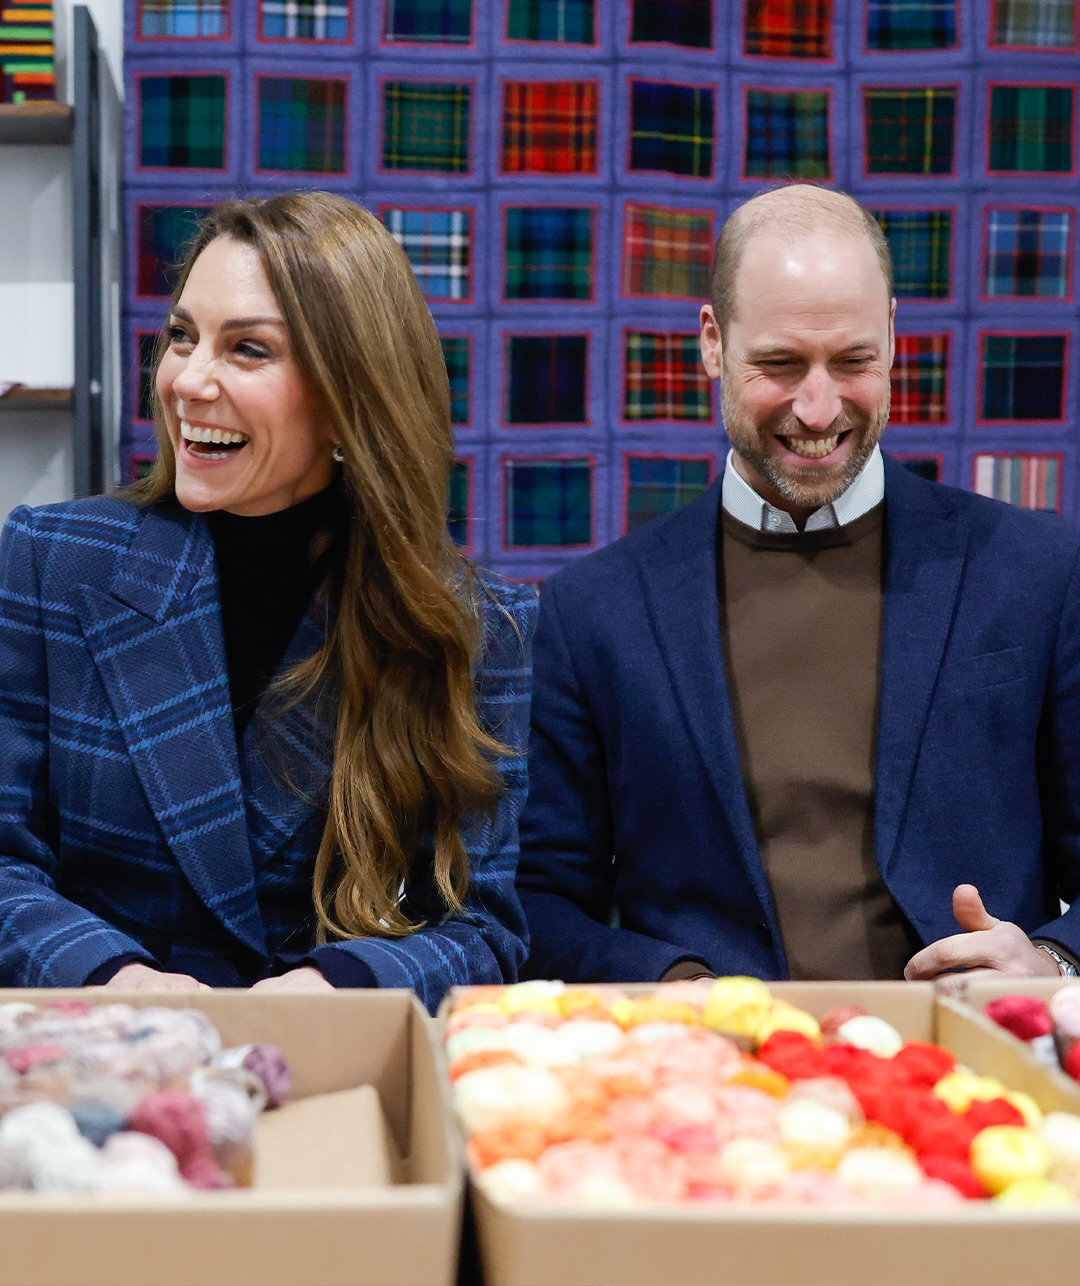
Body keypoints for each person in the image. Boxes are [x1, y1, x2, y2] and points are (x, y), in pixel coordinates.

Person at [517, 183, 1080, 993]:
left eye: (853, 361)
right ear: (713, 343)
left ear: (893, 337)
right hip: (715, 1058)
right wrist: (670, 982)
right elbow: (534, 901)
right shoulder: (591, 612)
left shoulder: (1041, 573)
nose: (818, 410)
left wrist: (1051, 963)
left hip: (974, 1052)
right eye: (780, 364)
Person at [0, 191, 536, 1010]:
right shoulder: (54, 561)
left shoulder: (477, 625)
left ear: (352, 397)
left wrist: (332, 989)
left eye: (248, 349)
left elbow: (481, 928)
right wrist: (119, 983)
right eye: (183, 336)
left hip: (335, 1058)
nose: (187, 380)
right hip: (101, 1051)